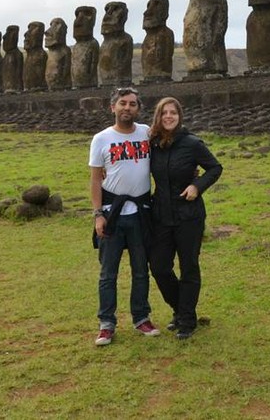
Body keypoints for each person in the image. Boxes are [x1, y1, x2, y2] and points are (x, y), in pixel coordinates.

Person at [90, 87, 161, 346]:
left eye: (132, 104)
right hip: (112, 214)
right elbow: (96, 180)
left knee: (141, 270)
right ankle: (106, 323)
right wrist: (98, 215)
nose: (127, 108)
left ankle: (141, 317)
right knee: (108, 272)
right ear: (113, 107)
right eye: (122, 103)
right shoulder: (101, 139)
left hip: (141, 213)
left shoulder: (146, 132)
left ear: (138, 109)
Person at [148, 97, 223, 340]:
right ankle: (180, 310)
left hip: (188, 215)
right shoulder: (153, 144)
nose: (168, 116)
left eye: (173, 113)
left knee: (189, 265)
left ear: (180, 116)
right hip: (161, 214)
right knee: (159, 267)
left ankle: (187, 320)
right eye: (164, 113)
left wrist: (197, 186)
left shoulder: (192, 143)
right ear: (158, 117)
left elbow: (214, 167)